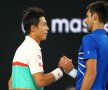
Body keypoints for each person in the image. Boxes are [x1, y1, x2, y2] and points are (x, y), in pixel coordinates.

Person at [8, 7, 73, 90]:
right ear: (33, 28)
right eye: (44, 24)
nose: (47, 28)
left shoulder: (22, 48)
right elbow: (40, 81)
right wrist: (60, 71)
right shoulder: (32, 48)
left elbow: (10, 83)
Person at [59, 1, 108, 90]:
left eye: (87, 16)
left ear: (94, 17)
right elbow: (93, 78)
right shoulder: (106, 40)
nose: (85, 20)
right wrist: (71, 71)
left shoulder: (90, 38)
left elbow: (91, 73)